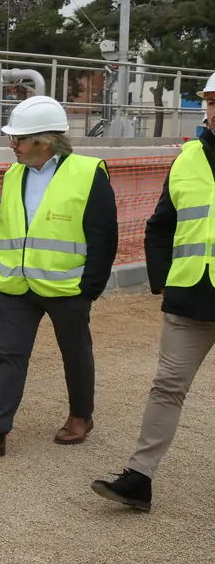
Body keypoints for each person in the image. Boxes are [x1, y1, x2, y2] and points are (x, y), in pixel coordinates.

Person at [0, 96, 118, 457]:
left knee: (75, 352)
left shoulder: (88, 172)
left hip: (67, 287)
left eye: (19, 139)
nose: (12, 145)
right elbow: (7, 224)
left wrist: (89, 287)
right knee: (10, 355)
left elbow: (104, 235)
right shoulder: (13, 173)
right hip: (15, 285)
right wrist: (0, 263)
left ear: (45, 142)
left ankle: (81, 416)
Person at [92, 72, 215, 511]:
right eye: (211, 102)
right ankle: (139, 478)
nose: (214, 110)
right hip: (191, 297)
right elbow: (161, 225)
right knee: (166, 386)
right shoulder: (188, 157)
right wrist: (164, 280)